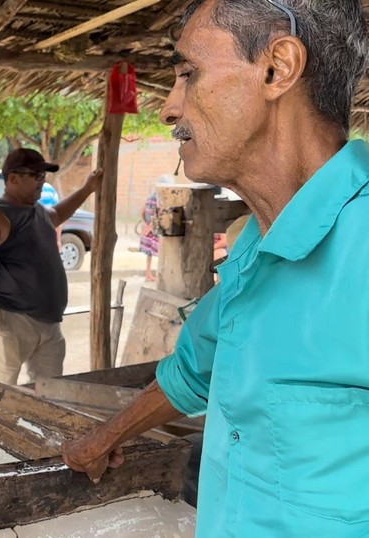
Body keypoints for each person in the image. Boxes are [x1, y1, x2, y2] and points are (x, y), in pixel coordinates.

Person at [62, 1, 369, 536]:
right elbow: (194, 370)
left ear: (278, 68)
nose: (169, 108)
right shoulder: (256, 246)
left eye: (188, 74)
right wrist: (105, 437)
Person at [0, 148, 102, 386]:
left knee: (50, 389)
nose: (42, 182)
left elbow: (58, 213)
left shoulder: (36, 210)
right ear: (13, 178)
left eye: (43, 176)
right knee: (3, 387)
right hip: (11, 317)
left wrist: (88, 188)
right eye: (36, 176)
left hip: (49, 321)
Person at [137, 191, 161, 282]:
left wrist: (145, 225)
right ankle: (153, 274)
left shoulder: (149, 199)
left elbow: (142, 212)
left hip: (148, 230)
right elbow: (156, 215)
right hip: (152, 231)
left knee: (149, 253)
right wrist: (149, 227)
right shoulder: (158, 199)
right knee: (159, 252)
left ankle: (149, 273)